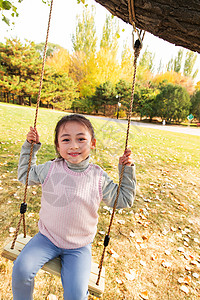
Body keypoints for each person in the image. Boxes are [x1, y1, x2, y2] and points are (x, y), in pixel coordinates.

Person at [12, 114, 136, 300]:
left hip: (79, 247)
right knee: (21, 270)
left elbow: (124, 199)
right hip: (47, 238)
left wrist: (126, 170)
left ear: (92, 143)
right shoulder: (50, 169)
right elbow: (25, 175)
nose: (74, 145)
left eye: (81, 139)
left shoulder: (98, 178)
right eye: (66, 140)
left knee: (76, 295)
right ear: (58, 146)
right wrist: (30, 148)